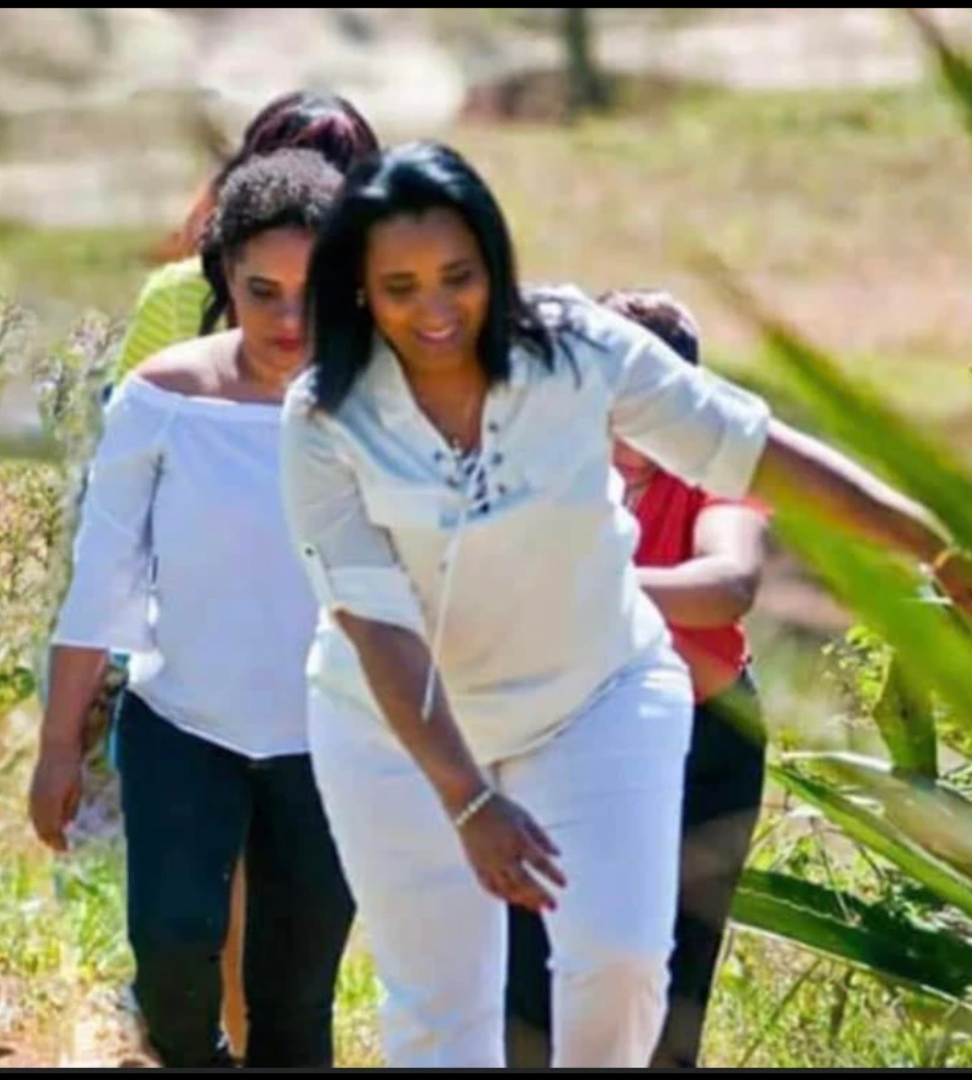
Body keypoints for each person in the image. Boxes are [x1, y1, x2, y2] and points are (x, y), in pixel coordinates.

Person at [279, 140, 972, 1068]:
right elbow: (376, 628)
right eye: (401, 287)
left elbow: (752, 449)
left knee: (621, 958)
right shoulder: (325, 415)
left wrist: (930, 543)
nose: (436, 310)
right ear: (360, 289)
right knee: (442, 1009)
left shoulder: (578, 348)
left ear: (495, 262)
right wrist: (469, 798)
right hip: (395, 725)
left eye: (459, 277)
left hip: (595, 695)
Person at [29, 149, 354, 1069]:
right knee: (172, 954)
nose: (288, 321)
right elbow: (103, 577)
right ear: (223, 280)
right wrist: (58, 745)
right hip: (182, 727)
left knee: (296, 1002)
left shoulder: (389, 409)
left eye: (313, 294)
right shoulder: (163, 400)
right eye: (262, 292)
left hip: (332, 744)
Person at [96, 89, 380, 1056]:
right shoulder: (175, 305)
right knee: (197, 915)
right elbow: (124, 484)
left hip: (328, 687)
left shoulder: (384, 325)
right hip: (197, 663)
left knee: (289, 951)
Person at [504, 289, 769, 1069]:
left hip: (706, 739)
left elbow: (728, 584)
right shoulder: (541, 464)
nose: (632, 431)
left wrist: (581, 584)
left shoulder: (717, 473)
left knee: (671, 987)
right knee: (530, 976)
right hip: (560, 732)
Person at [113, 90, 380, 380]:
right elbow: (128, 403)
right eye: (263, 291)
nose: (290, 321)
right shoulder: (177, 299)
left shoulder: (389, 310)